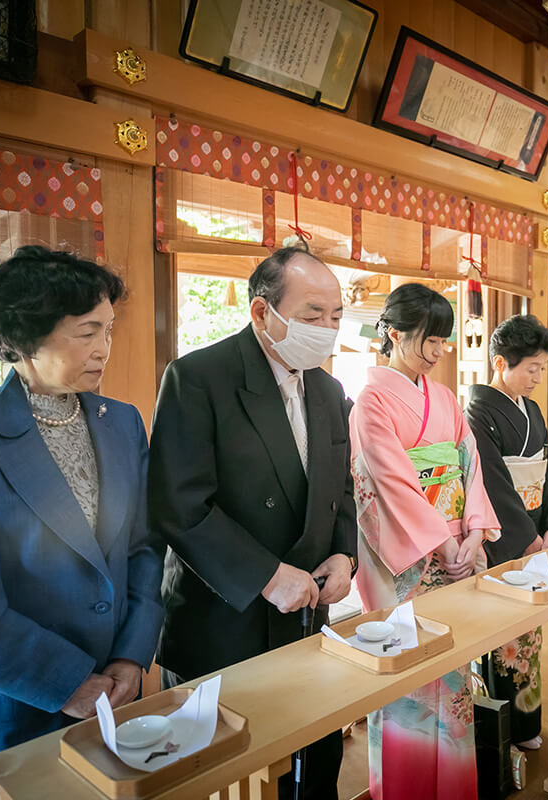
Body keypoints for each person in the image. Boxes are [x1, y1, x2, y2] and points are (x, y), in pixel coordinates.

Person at [0, 247, 165, 800]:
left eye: (109, 329)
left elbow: (144, 549)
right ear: (25, 337)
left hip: (117, 689)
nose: (104, 348)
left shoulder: (122, 422)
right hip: (15, 698)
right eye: (86, 332)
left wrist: (131, 654)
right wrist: (66, 682)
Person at [149, 245, 357, 800]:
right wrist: (266, 574)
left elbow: (341, 487)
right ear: (263, 313)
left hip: (309, 613)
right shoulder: (198, 377)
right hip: (225, 613)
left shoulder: (329, 389)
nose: (327, 329)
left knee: (314, 760)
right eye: (313, 315)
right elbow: (179, 504)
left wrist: (345, 553)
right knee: (227, 776)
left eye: (336, 316)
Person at [350, 283, 500, 800]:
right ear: (393, 334)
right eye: (429, 340)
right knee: (406, 677)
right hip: (409, 562)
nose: (439, 352)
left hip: (456, 549)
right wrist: (442, 545)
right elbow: (389, 482)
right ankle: (402, 787)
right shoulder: (370, 402)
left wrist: (476, 531)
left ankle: (452, 787)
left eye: (443, 341)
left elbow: (470, 467)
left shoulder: (445, 398)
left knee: (454, 673)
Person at [465, 314, 548, 750]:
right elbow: (491, 480)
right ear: (501, 362)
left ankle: (524, 725)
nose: (537, 377)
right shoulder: (477, 410)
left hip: (534, 534)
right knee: (502, 636)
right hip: (504, 537)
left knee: (530, 634)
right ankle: (498, 729)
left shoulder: (533, 410)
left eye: (542, 368)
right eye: (531, 369)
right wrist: (525, 536)